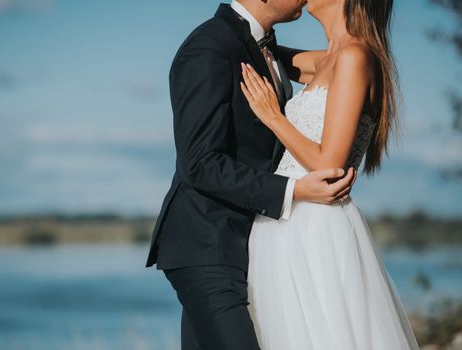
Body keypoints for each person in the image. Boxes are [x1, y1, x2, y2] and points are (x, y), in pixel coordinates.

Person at [145, 1, 357, 349]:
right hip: (207, 243)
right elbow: (198, 163)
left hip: (251, 244)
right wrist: (296, 191)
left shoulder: (263, 46)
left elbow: (342, 62)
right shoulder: (209, 47)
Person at [240, 0, 420, 348]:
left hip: (314, 226)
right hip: (284, 221)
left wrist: (272, 116)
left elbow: (328, 164)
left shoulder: (355, 57)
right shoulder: (328, 59)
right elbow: (263, 45)